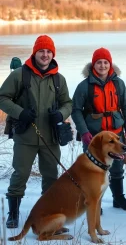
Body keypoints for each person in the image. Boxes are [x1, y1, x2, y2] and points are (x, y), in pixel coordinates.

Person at [0, 35, 72, 229]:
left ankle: (48, 215)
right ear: (35, 52)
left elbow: (68, 103)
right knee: (20, 174)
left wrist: (61, 114)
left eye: (49, 52)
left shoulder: (59, 79)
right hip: (25, 137)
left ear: (53, 54)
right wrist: (20, 112)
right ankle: (13, 214)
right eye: (42, 51)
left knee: (51, 176)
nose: (45, 55)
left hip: (50, 138)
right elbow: (3, 98)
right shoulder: (20, 75)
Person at [71, 47, 126, 211]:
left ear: (110, 64)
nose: (102, 66)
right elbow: (76, 110)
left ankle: (119, 199)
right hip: (94, 137)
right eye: (99, 62)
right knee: (92, 170)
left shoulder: (118, 83)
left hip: (116, 134)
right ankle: (93, 201)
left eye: (105, 62)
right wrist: (84, 132)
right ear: (93, 64)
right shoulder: (84, 86)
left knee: (117, 168)